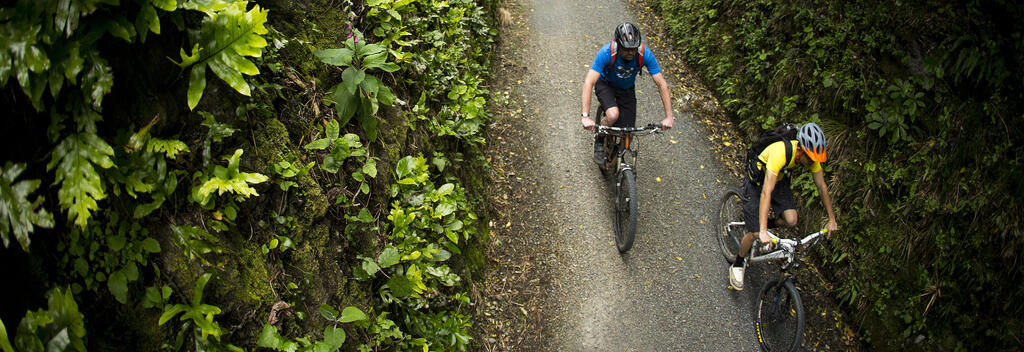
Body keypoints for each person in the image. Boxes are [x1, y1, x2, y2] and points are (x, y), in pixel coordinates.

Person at [729, 122, 839, 290]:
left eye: (814, 160)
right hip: (758, 180)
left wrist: (832, 219)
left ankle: (761, 223)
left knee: (791, 219)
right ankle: (738, 263)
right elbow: (766, 191)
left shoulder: (811, 158)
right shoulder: (781, 152)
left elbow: (822, 187)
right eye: (809, 158)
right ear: (801, 149)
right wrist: (763, 230)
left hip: (779, 180)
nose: (811, 163)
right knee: (755, 232)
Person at [580, 22, 674, 163]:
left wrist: (669, 116)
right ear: (618, 45)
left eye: (633, 49)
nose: (630, 52)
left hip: (626, 89)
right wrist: (585, 116)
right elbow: (589, 82)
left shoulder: (644, 54)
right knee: (613, 115)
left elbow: (662, 84)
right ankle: (599, 138)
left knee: (628, 131)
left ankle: (617, 162)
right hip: (606, 85)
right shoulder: (607, 52)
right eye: (626, 49)